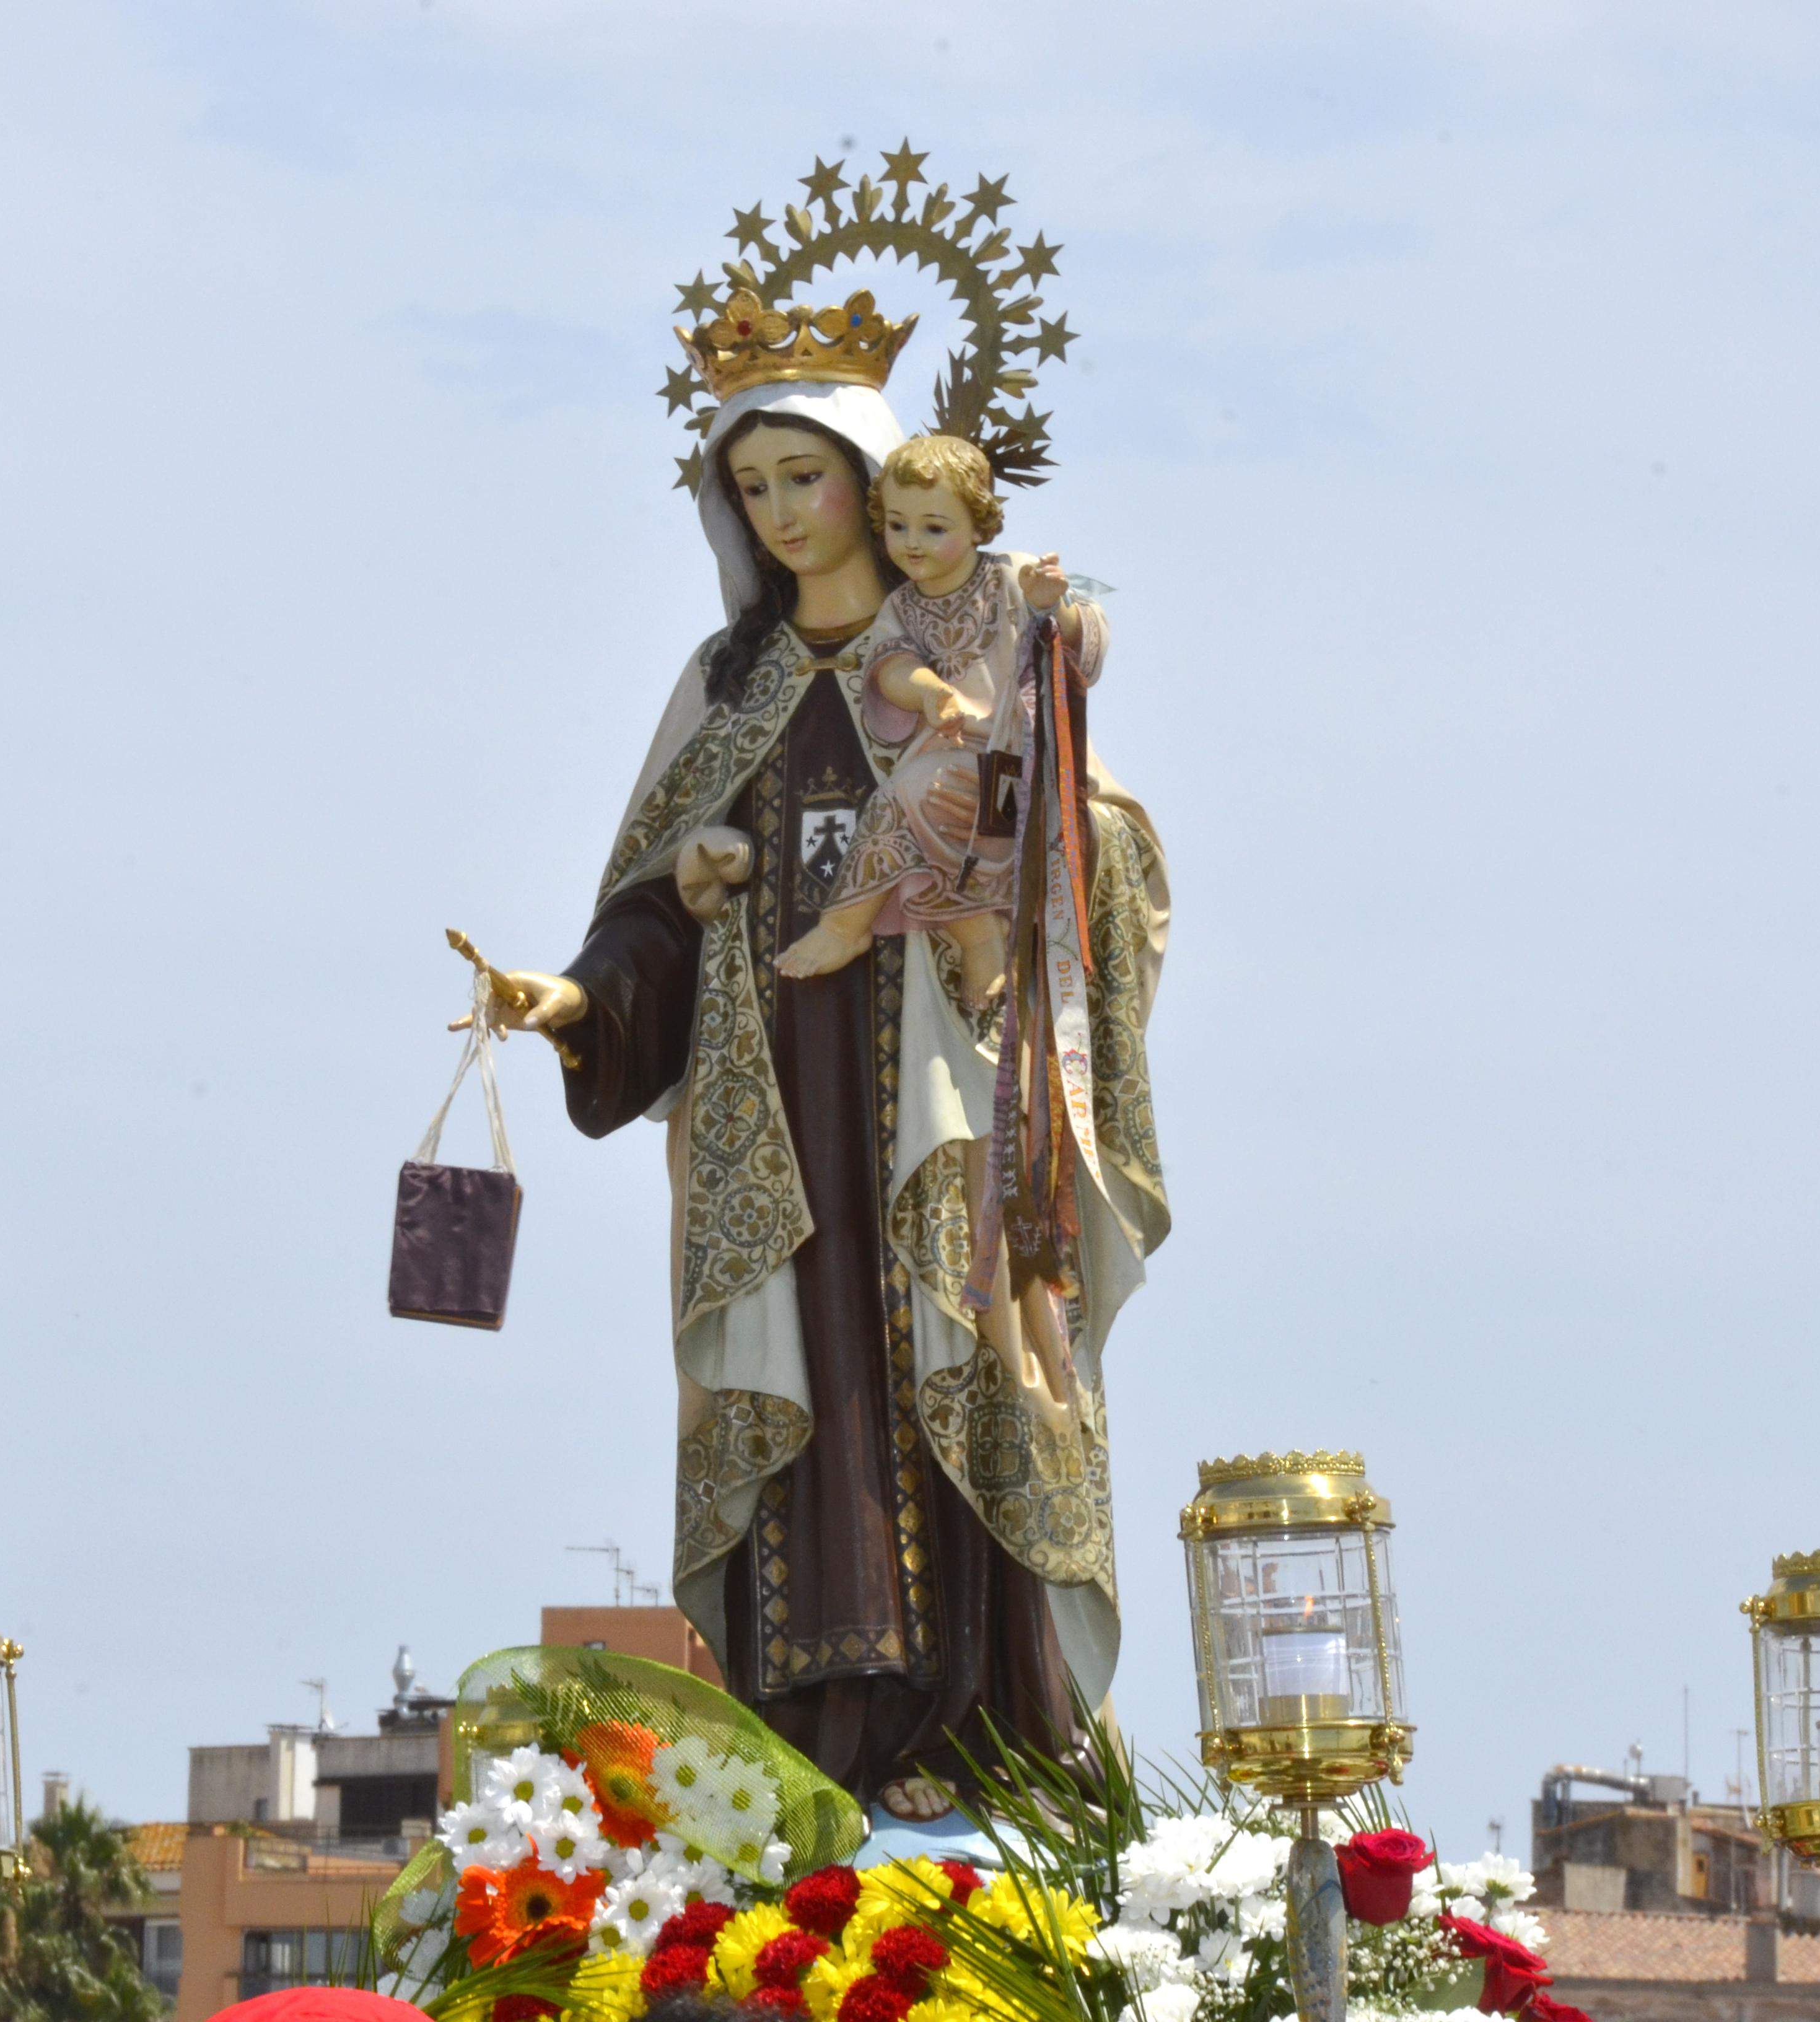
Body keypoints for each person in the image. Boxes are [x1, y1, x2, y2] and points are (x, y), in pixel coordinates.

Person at [475, 289, 1170, 1822]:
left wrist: (1024, 800)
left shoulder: (974, 647)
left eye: (808, 477)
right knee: (821, 1411)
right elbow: (646, 919)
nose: (784, 515)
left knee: (966, 1366)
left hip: (948, 1103)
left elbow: (1100, 844)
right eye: (752, 489)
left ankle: (997, 1744)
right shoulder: (730, 691)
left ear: (878, 477)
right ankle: (832, 1748)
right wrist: (577, 997)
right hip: (778, 1125)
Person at [772, 432, 1083, 1009]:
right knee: (903, 808)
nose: (911, 544)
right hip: (948, 752)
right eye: (897, 526)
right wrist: (929, 692)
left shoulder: (1010, 576)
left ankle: (857, 928)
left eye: (933, 528)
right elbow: (891, 665)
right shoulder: (903, 606)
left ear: (978, 524)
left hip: (1016, 761)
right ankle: (954, 936)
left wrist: (1050, 603)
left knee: (910, 796)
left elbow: (1084, 635)